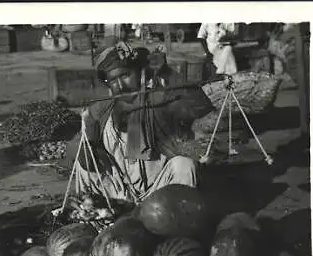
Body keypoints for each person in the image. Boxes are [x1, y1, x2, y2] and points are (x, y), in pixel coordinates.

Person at [74, 37, 214, 204]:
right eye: (113, 80)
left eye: (125, 75)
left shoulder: (160, 100)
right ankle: (95, 218)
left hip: (162, 192)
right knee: (81, 167)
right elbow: (89, 164)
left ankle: (177, 223)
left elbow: (201, 106)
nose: (120, 85)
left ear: (140, 72)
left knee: (184, 166)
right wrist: (89, 136)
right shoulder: (102, 111)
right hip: (122, 193)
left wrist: (166, 72)